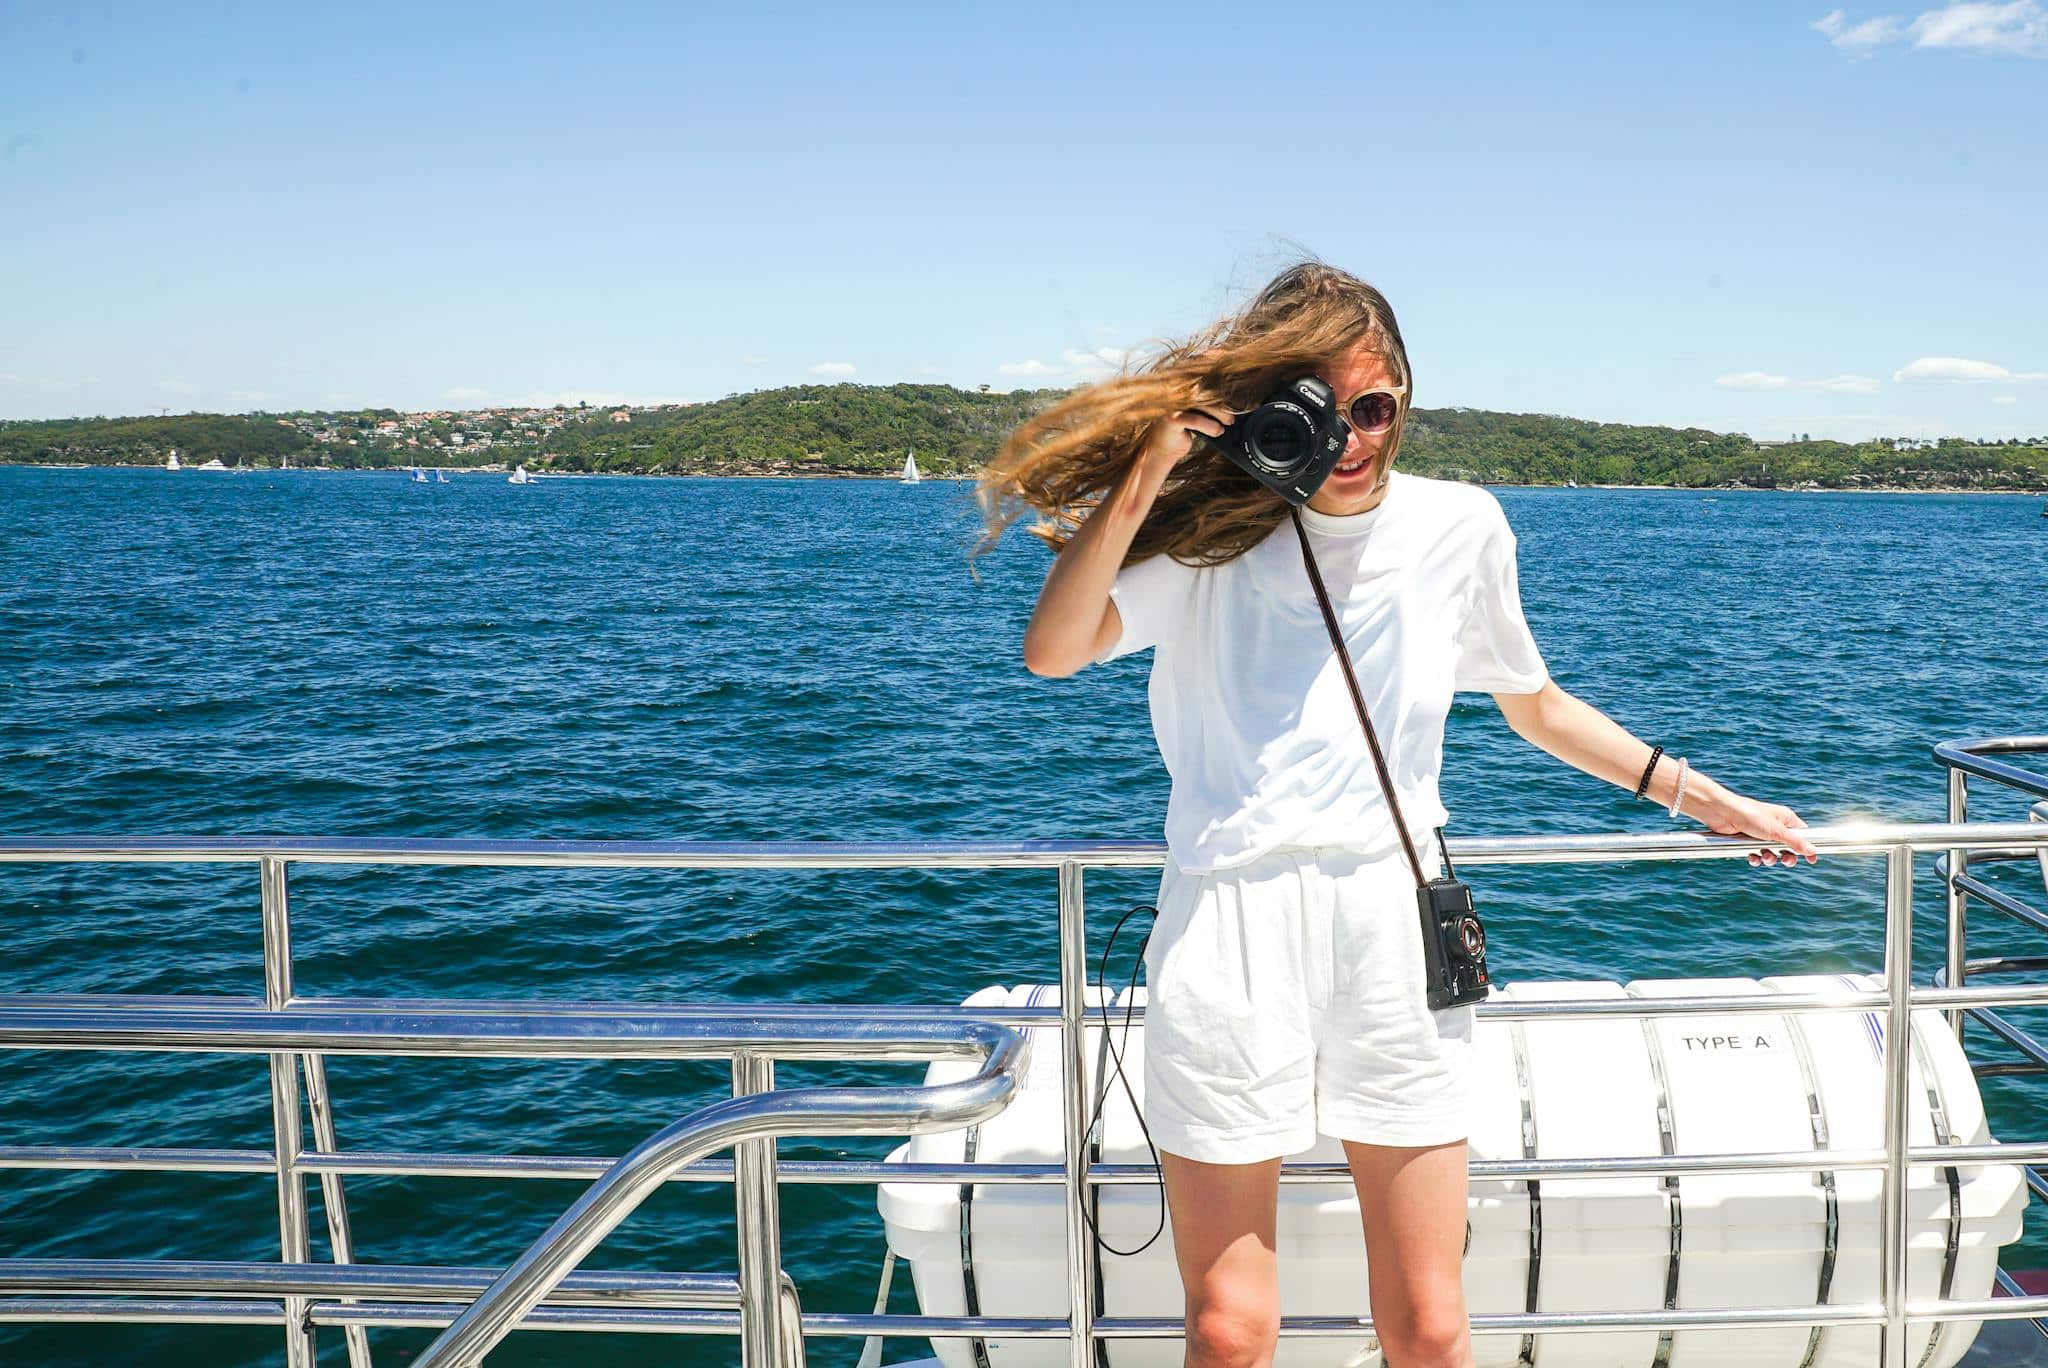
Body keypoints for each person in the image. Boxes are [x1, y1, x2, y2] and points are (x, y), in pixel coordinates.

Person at [975, 260, 1820, 1368]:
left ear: (1404, 403)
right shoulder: (1215, 540)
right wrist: (1151, 471)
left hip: (1392, 917)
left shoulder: (1458, 526)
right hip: (1230, 916)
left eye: (1374, 408)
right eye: (1317, 409)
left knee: (1427, 1328)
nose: (1353, 438)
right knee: (1229, 1333)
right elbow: (1052, 653)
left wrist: (1704, 797)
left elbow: (1535, 704)